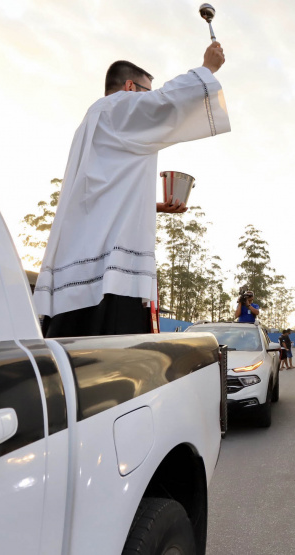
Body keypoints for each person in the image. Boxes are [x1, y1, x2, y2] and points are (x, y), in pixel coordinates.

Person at [34, 44, 230, 337]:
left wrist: (153, 207)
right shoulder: (117, 106)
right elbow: (166, 103)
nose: (149, 98)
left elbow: (100, 191)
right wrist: (207, 69)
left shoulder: (94, 121)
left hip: (79, 263)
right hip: (109, 273)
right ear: (129, 87)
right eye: (146, 92)